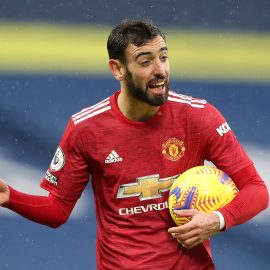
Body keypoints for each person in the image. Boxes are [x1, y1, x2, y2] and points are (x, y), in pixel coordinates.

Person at [0, 19, 268, 270]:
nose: (160, 70)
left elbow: (257, 190)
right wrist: (9, 196)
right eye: (145, 61)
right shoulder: (86, 129)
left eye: (163, 57)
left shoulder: (198, 117)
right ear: (117, 69)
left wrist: (217, 219)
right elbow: (57, 211)